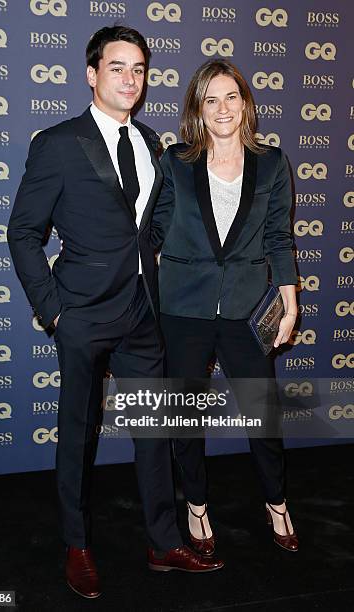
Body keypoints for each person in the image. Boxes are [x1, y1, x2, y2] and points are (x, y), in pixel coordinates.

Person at [7, 27, 223, 599]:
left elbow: (151, 225)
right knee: (78, 434)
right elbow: (24, 232)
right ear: (91, 74)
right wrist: (53, 311)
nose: (131, 79)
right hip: (79, 313)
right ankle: (77, 545)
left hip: (142, 313)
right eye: (118, 68)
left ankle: (163, 541)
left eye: (140, 70)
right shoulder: (58, 143)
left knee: (152, 433)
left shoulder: (154, 144)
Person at [152, 59, 299, 556]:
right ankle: (196, 505)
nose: (222, 108)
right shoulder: (175, 162)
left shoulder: (274, 163)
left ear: (246, 104)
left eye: (231, 97)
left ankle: (276, 502)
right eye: (210, 99)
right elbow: (153, 231)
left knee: (264, 411)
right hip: (183, 307)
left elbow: (279, 236)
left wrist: (289, 296)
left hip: (245, 305)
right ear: (197, 107)